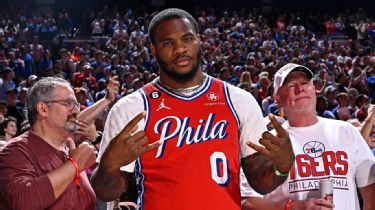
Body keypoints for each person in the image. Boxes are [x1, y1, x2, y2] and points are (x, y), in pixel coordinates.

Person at [91, 8, 295, 210]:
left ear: (199, 40)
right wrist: (108, 166)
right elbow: (106, 192)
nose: (180, 49)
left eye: (187, 39)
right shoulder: (131, 108)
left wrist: (282, 167)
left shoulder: (239, 100)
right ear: (153, 50)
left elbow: (259, 182)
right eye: (168, 43)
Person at [241, 63, 375, 210]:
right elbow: (248, 202)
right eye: (291, 85)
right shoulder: (267, 142)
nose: (300, 89)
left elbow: (371, 195)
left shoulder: (347, 131)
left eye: (305, 83)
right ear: (277, 99)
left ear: (314, 90)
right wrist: (291, 207)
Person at [0, 77, 97, 209]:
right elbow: (23, 202)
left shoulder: (70, 150)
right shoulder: (15, 151)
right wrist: (74, 165)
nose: (76, 111)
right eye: (68, 103)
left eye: (76, 105)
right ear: (43, 109)